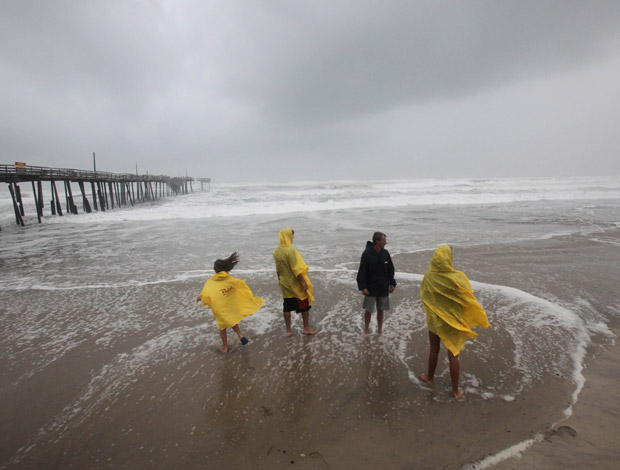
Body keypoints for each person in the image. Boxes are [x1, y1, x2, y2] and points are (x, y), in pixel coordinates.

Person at [419, 245, 490, 399]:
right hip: (452, 322)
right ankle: (455, 391)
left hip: (435, 322)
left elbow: (424, 296)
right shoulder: (457, 277)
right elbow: (467, 297)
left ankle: (430, 378)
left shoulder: (428, 276)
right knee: (453, 356)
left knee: (434, 350)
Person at [196, 252, 264, 353]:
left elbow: (206, 292)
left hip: (219, 308)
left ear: (215, 270)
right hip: (229, 305)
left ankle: (225, 347)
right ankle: (241, 335)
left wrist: (199, 297)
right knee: (232, 320)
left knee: (222, 327)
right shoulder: (229, 278)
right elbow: (238, 284)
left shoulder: (211, 281)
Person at [273, 228, 317, 336]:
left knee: (287, 306)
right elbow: (295, 268)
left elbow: (277, 269)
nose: (293, 238)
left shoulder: (277, 251)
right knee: (304, 305)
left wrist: (280, 280)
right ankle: (306, 328)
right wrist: (303, 281)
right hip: (295, 283)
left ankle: (288, 331)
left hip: (284, 282)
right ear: (288, 236)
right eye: (292, 235)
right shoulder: (290, 250)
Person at [356, 231, 396, 336]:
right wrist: (363, 287)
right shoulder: (367, 254)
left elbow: (390, 269)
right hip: (370, 288)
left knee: (381, 310)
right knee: (368, 310)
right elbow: (362, 272)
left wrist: (392, 283)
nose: (385, 243)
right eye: (384, 240)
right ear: (377, 241)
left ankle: (380, 329)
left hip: (383, 287)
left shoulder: (385, 253)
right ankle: (366, 329)